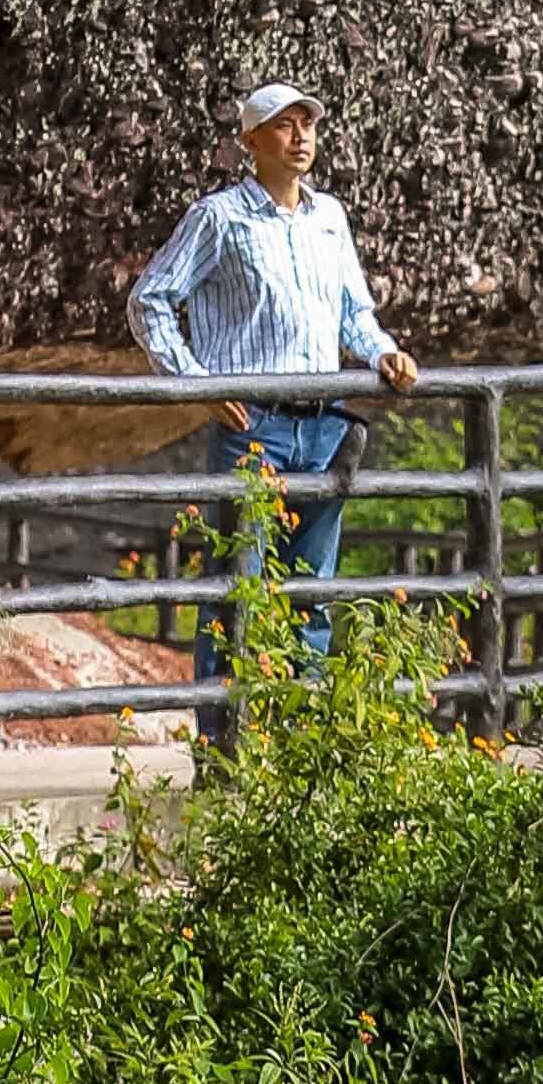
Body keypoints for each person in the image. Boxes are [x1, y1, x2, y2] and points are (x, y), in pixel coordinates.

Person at [131, 75, 417, 682]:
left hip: (326, 420)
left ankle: (299, 747)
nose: (300, 136)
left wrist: (383, 354)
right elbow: (151, 299)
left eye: (307, 124)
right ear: (250, 140)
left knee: (311, 592)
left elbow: (354, 314)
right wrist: (196, 383)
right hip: (252, 424)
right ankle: (223, 752)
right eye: (284, 125)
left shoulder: (330, 219)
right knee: (238, 588)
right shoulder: (218, 217)